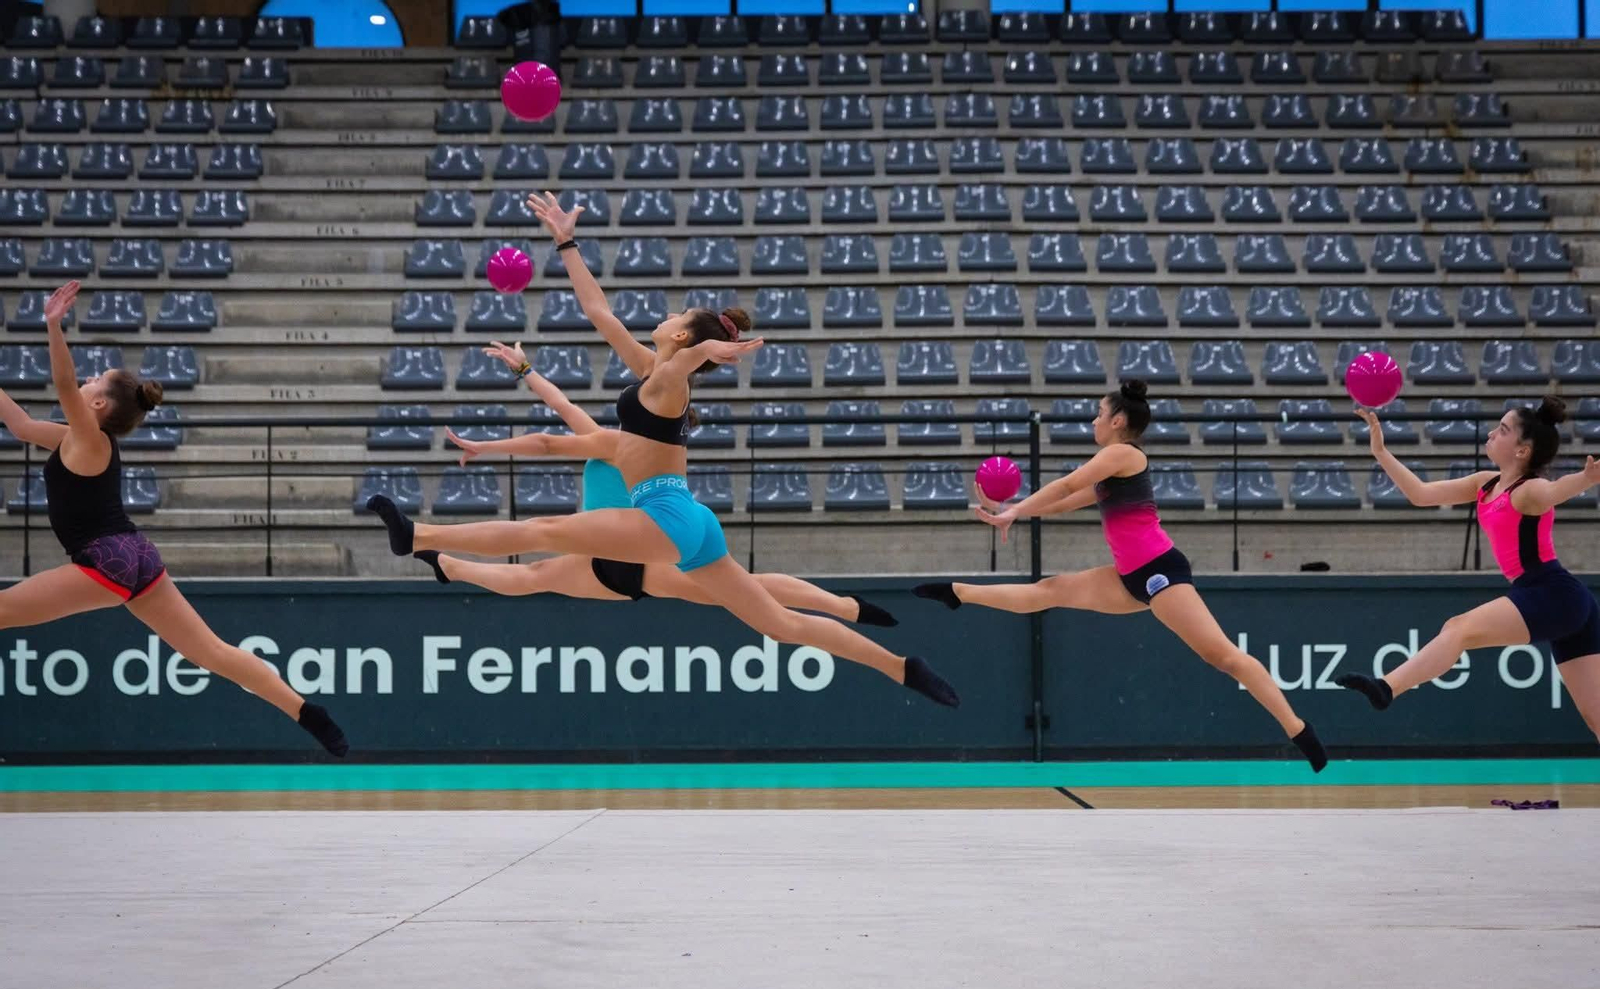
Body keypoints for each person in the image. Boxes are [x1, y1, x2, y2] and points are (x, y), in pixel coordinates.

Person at [366, 193, 958, 707]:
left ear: (679, 336)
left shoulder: (671, 379)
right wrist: (567, 245)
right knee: (778, 623)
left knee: (543, 531)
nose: (666, 314)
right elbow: (598, 312)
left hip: (664, 519)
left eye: (677, 316)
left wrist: (711, 353)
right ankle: (903, 667)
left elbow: (688, 363)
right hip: (689, 521)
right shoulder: (651, 372)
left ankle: (420, 538)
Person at [0, 282, 348, 755]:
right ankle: (305, 711)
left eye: (94, 380)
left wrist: (53, 325)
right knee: (212, 652)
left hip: (105, 559)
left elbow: (63, 384)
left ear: (98, 405)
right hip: (135, 555)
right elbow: (18, 424)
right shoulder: (74, 438)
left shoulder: (88, 437)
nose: (86, 382)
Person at [912, 381, 1327, 770]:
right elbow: (1067, 500)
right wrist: (1013, 514)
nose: (1093, 421)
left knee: (1221, 656)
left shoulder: (1123, 454)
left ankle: (1298, 728)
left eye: (1098, 413)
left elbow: (1066, 483)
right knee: (1048, 590)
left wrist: (1016, 510)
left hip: (1159, 571)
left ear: (1118, 421)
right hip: (1130, 576)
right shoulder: (1113, 468)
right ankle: (958, 592)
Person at [416, 341, 897, 629]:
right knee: (745, 586)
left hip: (619, 557)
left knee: (530, 577)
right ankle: (845, 606)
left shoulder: (610, 443)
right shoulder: (628, 445)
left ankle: (453, 566)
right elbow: (559, 407)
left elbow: (557, 417)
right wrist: (524, 371)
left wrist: (508, 402)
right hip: (637, 561)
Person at [1337, 400, 1599, 739]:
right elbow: (1420, 494)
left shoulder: (1529, 490)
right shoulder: (1486, 483)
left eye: (1503, 430)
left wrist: (1586, 479)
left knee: (1457, 628)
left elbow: (1555, 491)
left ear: (1522, 451)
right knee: (1595, 717)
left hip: (1551, 593)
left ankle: (1386, 687)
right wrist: (1381, 451)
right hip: (1560, 599)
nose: (1492, 432)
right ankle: (1387, 687)